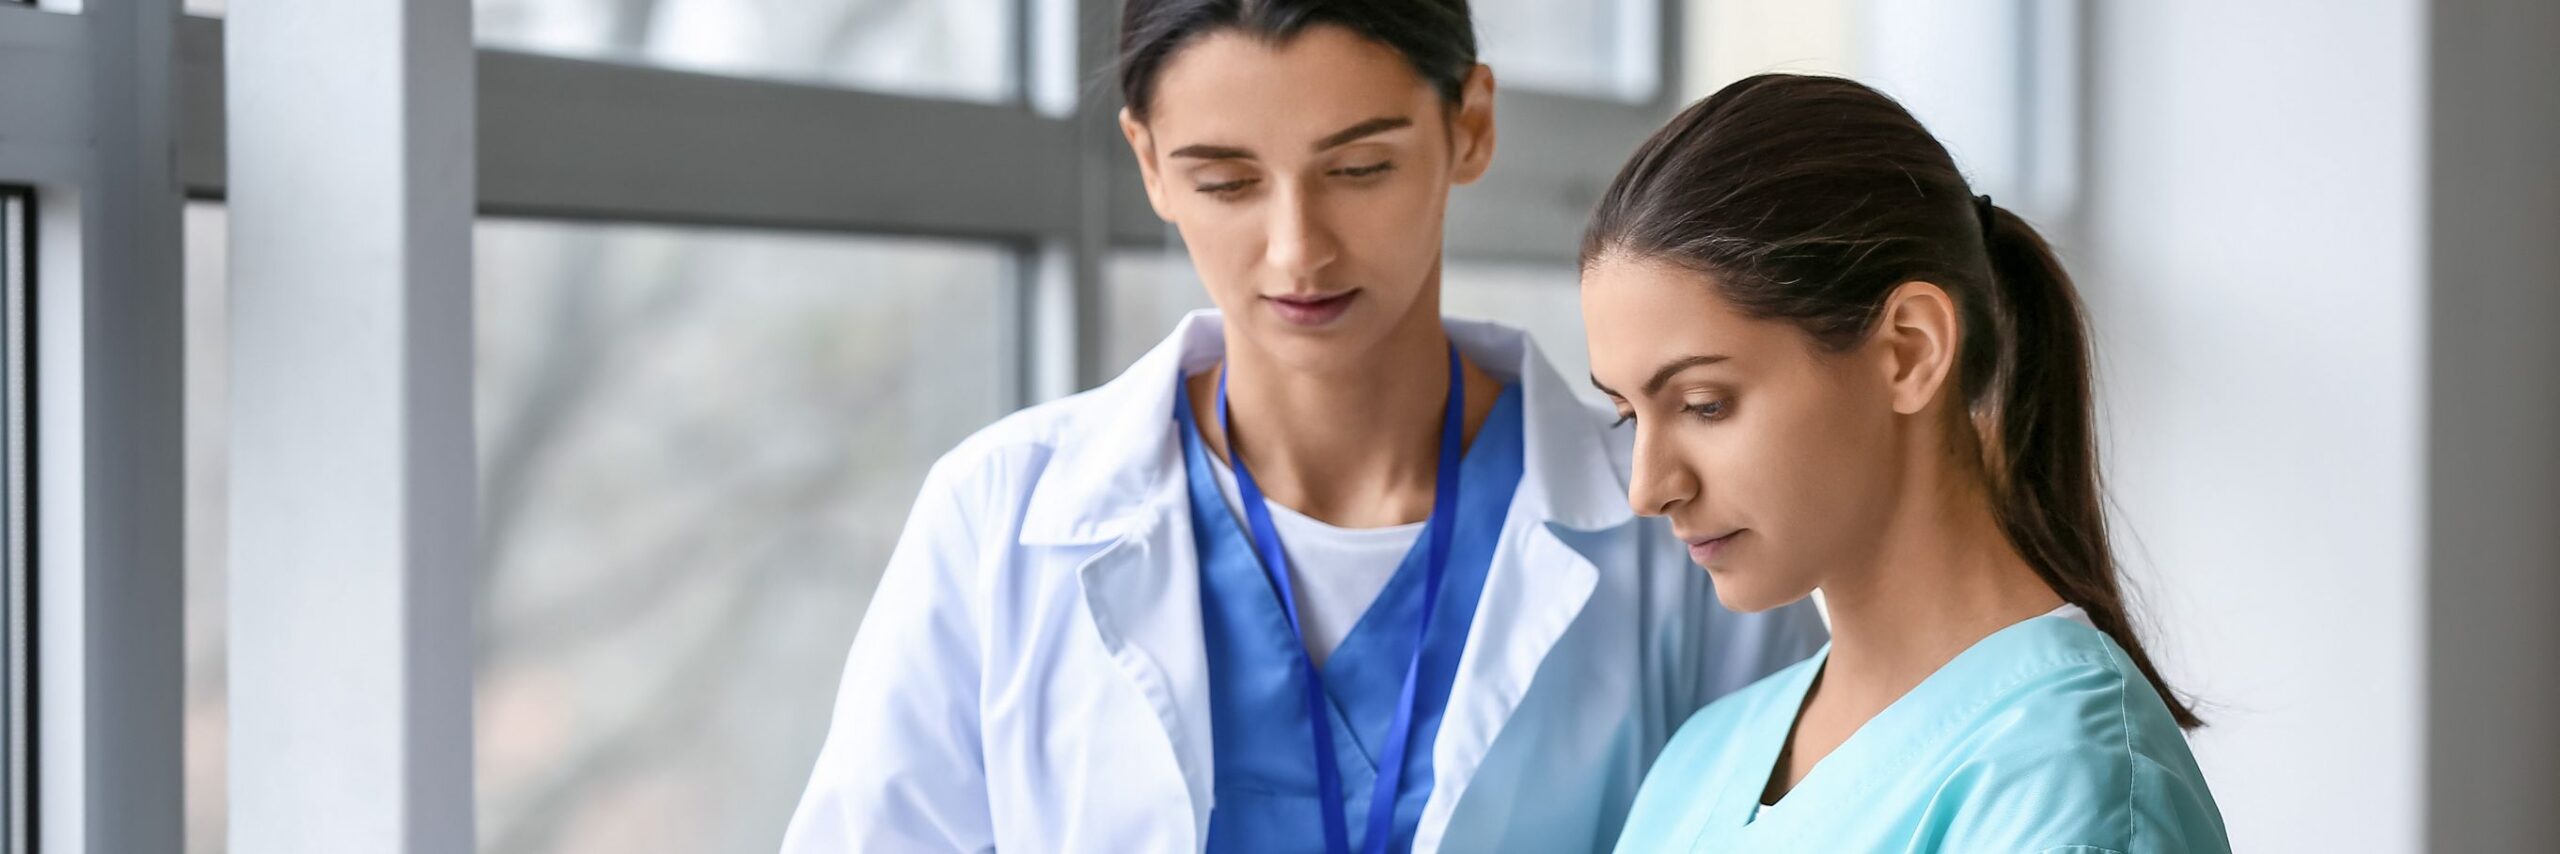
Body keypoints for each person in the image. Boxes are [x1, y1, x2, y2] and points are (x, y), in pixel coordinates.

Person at [778, 3, 1826, 852]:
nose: (1296, 251)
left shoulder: (1677, 534)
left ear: (1469, 125)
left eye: (1358, 169)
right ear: (1146, 162)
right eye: (1225, 182)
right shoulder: (997, 516)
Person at [1581, 73, 2230, 852]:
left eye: (1704, 404)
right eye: (1627, 416)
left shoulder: (2069, 784)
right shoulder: (1700, 761)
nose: (1649, 488)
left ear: (1908, 351)